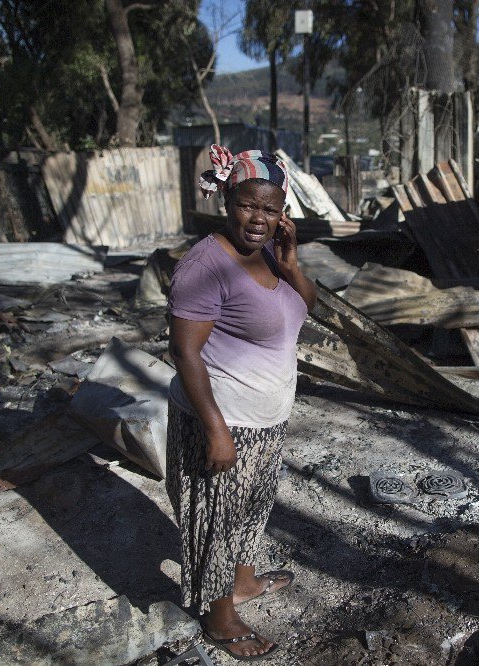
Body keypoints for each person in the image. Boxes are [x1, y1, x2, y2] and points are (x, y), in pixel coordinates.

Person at [166, 145, 316, 661]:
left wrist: (293, 262)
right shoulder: (206, 264)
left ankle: (244, 582)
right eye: (249, 206)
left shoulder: (273, 251)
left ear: (283, 211)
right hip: (223, 416)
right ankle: (218, 615)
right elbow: (184, 351)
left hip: (265, 417)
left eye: (271, 209)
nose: (259, 219)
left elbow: (304, 307)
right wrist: (215, 429)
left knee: (250, 511)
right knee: (215, 519)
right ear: (227, 200)